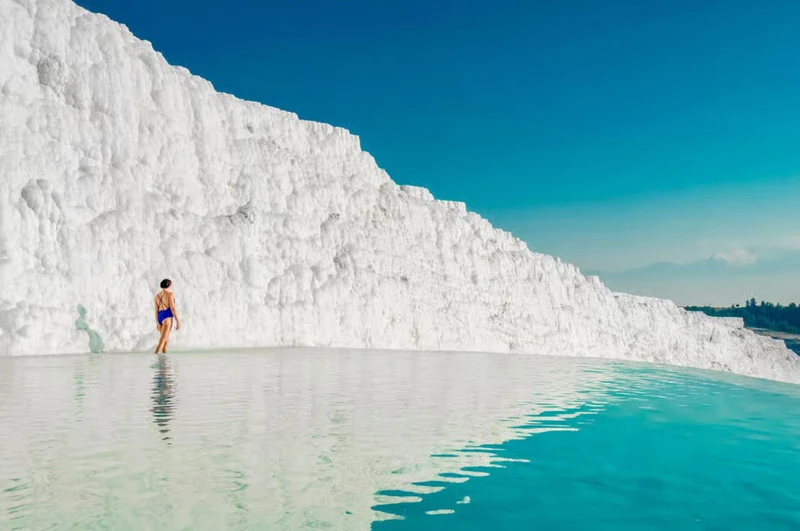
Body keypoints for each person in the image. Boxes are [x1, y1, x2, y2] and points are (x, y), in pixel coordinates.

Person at [154, 279, 180, 353]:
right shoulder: (170, 294)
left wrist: (157, 323)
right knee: (162, 340)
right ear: (169, 285)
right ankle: (156, 360)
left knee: (166, 340)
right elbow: (173, 308)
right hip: (167, 317)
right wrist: (178, 321)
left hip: (160, 317)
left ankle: (164, 360)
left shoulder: (157, 296)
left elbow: (156, 311)